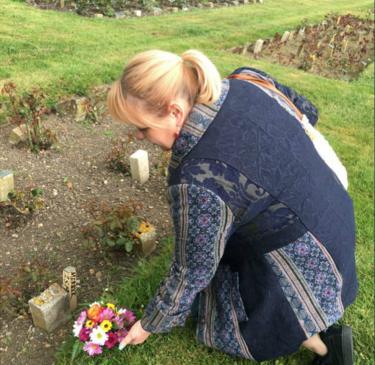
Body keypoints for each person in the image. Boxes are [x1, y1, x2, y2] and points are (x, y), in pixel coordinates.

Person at [107, 49, 358, 364]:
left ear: (173, 111)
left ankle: (328, 349)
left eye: (142, 128)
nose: (140, 136)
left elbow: (192, 269)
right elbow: (307, 112)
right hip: (333, 211)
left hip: (311, 256)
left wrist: (149, 323)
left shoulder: (197, 175)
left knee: (259, 306)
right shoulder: (245, 79)